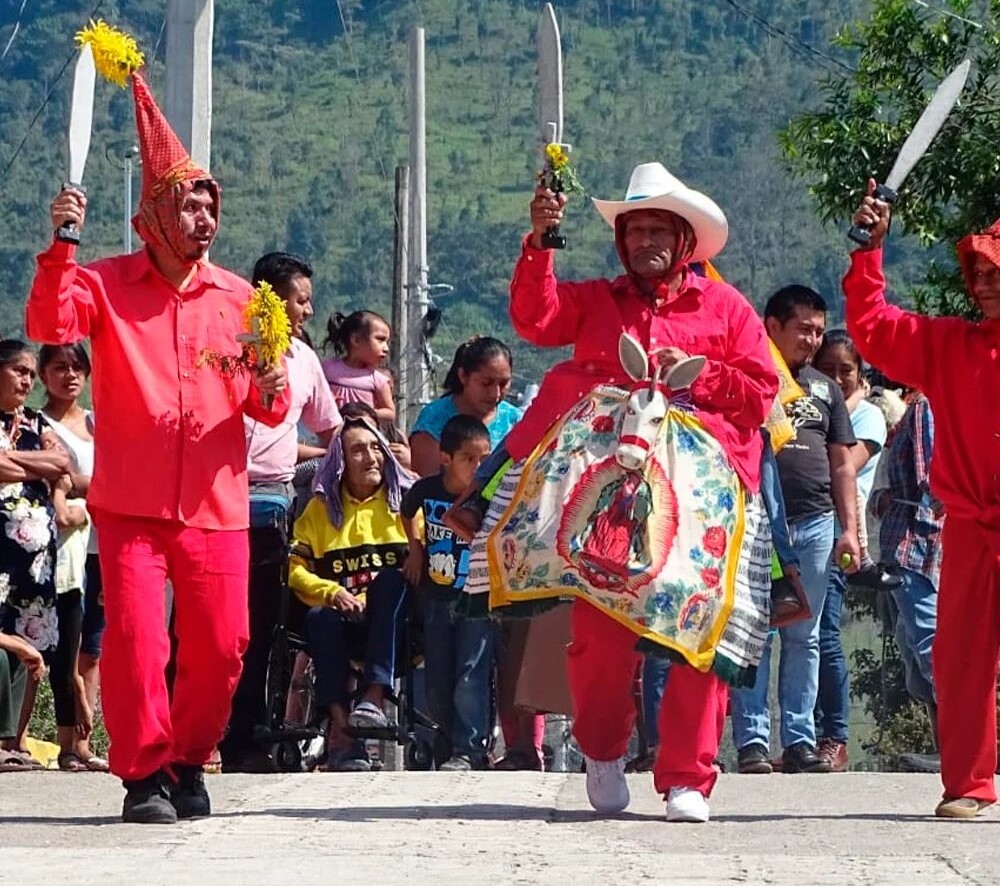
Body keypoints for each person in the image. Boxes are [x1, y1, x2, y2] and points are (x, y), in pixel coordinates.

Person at [477, 162, 779, 822]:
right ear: (622, 241)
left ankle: (687, 776)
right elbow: (536, 318)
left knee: (699, 635)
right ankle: (605, 750)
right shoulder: (594, 300)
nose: (645, 240)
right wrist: (540, 244)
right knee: (598, 636)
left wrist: (700, 381)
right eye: (635, 229)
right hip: (609, 496)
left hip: (701, 500)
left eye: (657, 230)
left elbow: (762, 394)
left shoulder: (727, 309)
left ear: (682, 239)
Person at [26, 67, 288, 823]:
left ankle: (187, 757)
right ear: (155, 211)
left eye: (211, 203)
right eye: (188, 201)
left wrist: (270, 375)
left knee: (224, 643)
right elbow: (51, 324)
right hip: (131, 501)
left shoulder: (244, 299)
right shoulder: (105, 282)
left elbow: (267, 410)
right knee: (139, 645)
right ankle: (143, 776)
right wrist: (63, 241)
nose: (204, 216)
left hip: (217, 500)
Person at [845, 180, 998, 818]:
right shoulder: (947, 344)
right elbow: (875, 328)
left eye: (995, 272)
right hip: (969, 527)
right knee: (960, 659)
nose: (983, 283)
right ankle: (969, 784)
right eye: (977, 272)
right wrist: (869, 252)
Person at [731, 286, 860, 777]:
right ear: (772, 326)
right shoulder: (751, 379)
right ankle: (752, 742)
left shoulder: (826, 390)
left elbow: (843, 464)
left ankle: (801, 739)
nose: (812, 339)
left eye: (818, 329)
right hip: (757, 524)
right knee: (755, 634)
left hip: (817, 525)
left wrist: (849, 530)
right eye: (803, 328)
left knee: (804, 636)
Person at [222, 251, 342, 773]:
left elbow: (332, 431)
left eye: (309, 301)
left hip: (272, 504)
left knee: (258, 628)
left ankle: (246, 737)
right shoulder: (228, 347)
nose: (307, 311)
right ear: (266, 298)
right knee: (205, 629)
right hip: (214, 501)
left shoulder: (303, 360)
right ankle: (191, 738)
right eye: (298, 299)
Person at [288, 415, 410, 771]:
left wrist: (367, 600)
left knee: (391, 580)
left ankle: (373, 698)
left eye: (377, 448)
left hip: (391, 625)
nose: (371, 458)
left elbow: (420, 566)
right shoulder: (318, 510)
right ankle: (343, 734)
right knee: (318, 617)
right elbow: (295, 570)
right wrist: (331, 593)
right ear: (340, 461)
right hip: (340, 621)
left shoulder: (402, 505)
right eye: (358, 450)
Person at [812, 330, 890, 771]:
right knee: (797, 635)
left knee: (825, 636)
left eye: (846, 370)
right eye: (828, 370)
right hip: (805, 524)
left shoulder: (868, 419)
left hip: (841, 533)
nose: (837, 379)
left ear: (860, 375)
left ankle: (835, 738)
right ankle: (803, 736)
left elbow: (842, 464)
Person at [401, 414, 494, 771]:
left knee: (471, 673)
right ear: (445, 459)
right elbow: (406, 512)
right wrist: (415, 548)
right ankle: (446, 735)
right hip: (437, 597)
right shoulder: (427, 491)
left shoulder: (488, 497)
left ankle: (469, 749)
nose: (477, 466)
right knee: (438, 676)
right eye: (469, 459)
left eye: (484, 459)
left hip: (476, 599)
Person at [38, 342, 108, 773]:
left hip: (102, 542)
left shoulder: (98, 422)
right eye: (60, 367)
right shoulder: (39, 425)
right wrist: (96, 486)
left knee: (94, 647)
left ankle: (83, 742)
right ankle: (64, 739)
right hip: (63, 547)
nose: (70, 375)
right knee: (65, 641)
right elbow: (58, 478)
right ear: (43, 374)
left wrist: (87, 484)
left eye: (77, 367)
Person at [0, 341, 71, 769]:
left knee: (31, 638)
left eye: (30, 373)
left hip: (36, 558)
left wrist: (16, 460)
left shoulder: (36, 422)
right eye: (18, 371)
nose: (26, 380)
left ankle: (16, 742)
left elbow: (61, 463)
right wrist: (34, 466)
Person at [875, 392, 941, 773]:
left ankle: (955, 749)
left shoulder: (922, 408)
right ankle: (944, 747)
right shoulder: (912, 407)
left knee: (930, 644)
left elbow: (929, 478)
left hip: (916, 543)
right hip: (904, 541)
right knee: (913, 645)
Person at [408, 337, 522, 478]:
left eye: (504, 384)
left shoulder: (517, 421)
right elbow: (425, 485)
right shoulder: (434, 420)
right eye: (486, 383)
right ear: (463, 376)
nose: (496, 393)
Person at [321, 310, 395, 423]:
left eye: (387, 342)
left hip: (363, 437)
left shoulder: (378, 380)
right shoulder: (327, 369)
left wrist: (367, 413)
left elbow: (390, 413)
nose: (386, 348)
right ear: (355, 340)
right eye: (380, 340)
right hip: (330, 436)